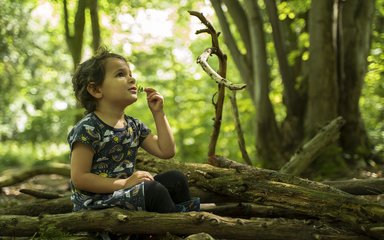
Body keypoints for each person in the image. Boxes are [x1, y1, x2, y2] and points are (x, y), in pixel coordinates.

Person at [68, 46, 199, 220]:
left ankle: (186, 225)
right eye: (121, 74)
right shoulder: (88, 128)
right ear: (96, 90)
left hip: (126, 192)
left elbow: (166, 151)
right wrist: (125, 183)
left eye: (130, 73)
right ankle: (177, 229)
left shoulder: (133, 125)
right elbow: (80, 178)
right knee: (153, 191)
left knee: (175, 178)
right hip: (97, 203)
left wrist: (158, 113)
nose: (132, 79)